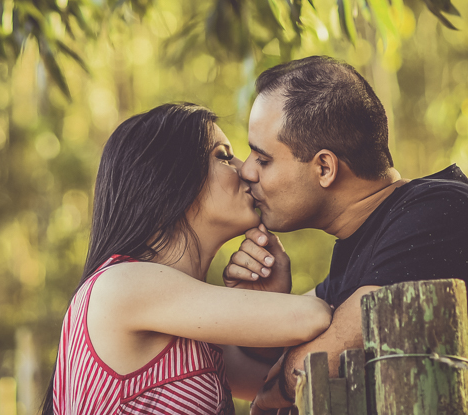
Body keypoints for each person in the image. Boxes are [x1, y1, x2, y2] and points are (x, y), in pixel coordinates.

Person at [223, 56, 468, 415]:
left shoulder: (443, 211)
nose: (246, 171)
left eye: (263, 158)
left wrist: (276, 390)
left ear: (324, 167)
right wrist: (269, 305)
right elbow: (248, 366)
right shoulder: (359, 250)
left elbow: (319, 360)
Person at [45, 102, 332, 415]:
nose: (246, 169)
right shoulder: (122, 285)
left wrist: (268, 299)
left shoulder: (190, 332)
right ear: (170, 179)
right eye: (223, 155)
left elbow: (270, 383)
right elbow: (312, 317)